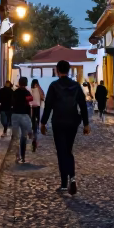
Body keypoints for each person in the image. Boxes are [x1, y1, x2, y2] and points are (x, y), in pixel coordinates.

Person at [41, 59, 89, 193]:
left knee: (61, 151)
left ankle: (64, 183)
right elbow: (83, 105)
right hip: (73, 122)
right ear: (68, 70)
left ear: (57, 70)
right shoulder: (76, 86)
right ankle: (71, 178)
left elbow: (48, 105)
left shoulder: (54, 86)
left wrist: (43, 122)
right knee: (68, 150)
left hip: (58, 122)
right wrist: (86, 123)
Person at [11, 76, 34, 164]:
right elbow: (30, 102)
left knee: (16, 137)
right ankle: (23, 156)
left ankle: (17, 156)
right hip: (24, 115)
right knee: (23, 137)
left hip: (15, 115)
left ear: (19, 83)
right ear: (26, 83)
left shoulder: (15, 92)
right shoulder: (27, 93)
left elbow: (12, 102)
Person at [29, 78, 45, 144]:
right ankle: (35, 128)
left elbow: (42, 95)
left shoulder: (34, 89)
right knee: (35, 117)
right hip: (34, 105)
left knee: (35, 117)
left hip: (35, 105)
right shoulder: (32, 90)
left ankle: (35, 128)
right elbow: (42, 94)